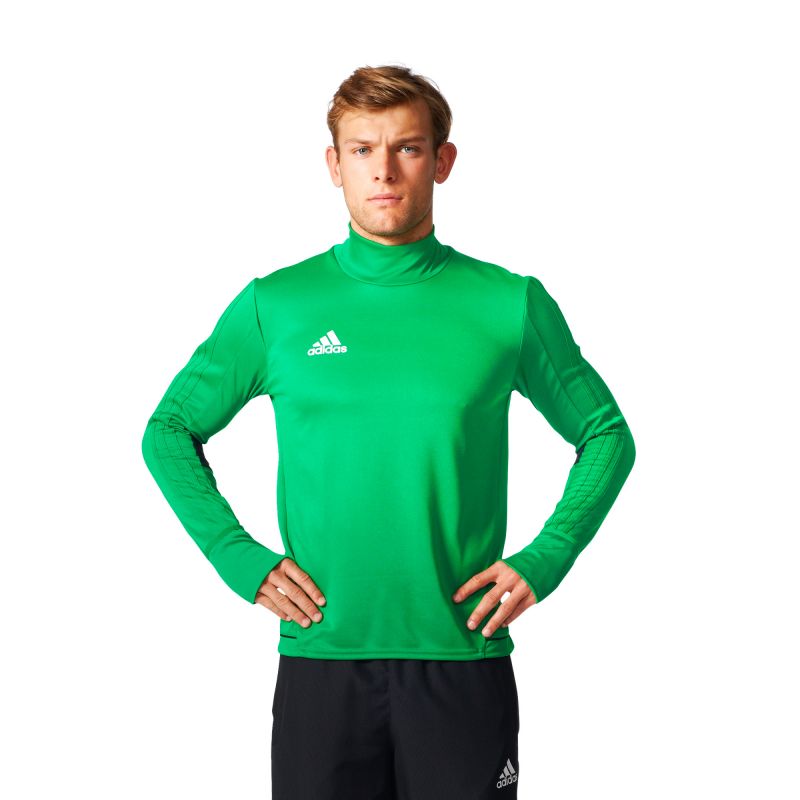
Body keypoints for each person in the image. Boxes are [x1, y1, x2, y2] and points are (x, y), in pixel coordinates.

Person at [141, 63, 636, 799]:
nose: (384, 170)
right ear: (333, 164)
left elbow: (605, 434)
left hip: (461, 656)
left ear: (442, 161)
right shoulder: (276, 306)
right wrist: (238, 558)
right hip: (321, 658)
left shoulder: (509, 304)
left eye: (407, 147)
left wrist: (547, 558)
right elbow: (170, 430)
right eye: (363, 149)